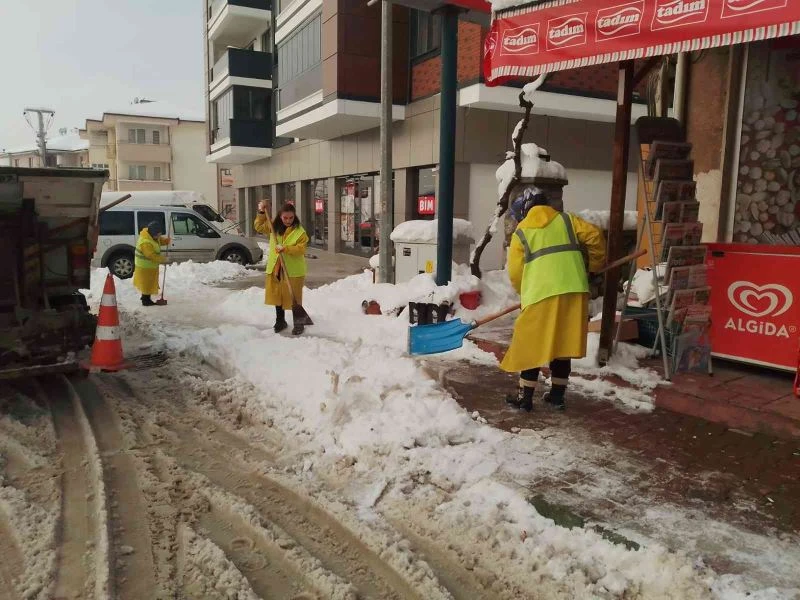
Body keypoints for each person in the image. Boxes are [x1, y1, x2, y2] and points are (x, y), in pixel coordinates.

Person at [502, 189, 606, 412]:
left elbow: (515, 272)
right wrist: (595, 267)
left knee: (530, 343)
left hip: (540, 294)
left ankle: (525, 398)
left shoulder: (521, 232)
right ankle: (557, 396)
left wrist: (525, 292)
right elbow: (595, 236)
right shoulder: (567, 220)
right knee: (563, 341)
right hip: (574, 290)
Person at [254, 202, 309, 335]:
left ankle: (299, 323)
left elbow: (301, 249)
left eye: (291, 218)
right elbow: (258, 227)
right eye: (285, 218)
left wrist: (286, 248)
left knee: (294, 297)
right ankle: (280, 321)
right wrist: (261, 212)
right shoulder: (273, 227)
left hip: (293, 270)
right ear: (280, 216)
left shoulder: (299, 231)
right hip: (276, 267)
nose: (288, 221)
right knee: (277, 295)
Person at [133, 220, 170, 306]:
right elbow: (151, 255)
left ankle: (145, 297)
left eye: (160, 234)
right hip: (144, 268)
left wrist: (166, 241)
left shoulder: (152, 237)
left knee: (148, 284)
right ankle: (146, 301)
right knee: (147, 284)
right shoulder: (145, 242)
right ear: (153, 233)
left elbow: (159, 241)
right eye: (158, 234)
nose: (159, 236)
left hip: (149, 267)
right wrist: (164, 259)